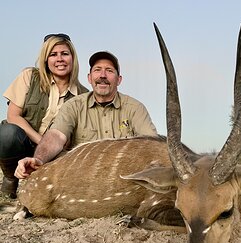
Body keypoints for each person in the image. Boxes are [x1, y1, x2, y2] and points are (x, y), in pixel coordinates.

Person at [15, 51, 157, 180]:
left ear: (119, 79)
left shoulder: (135, 108)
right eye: (97, 70)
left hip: (122, 177)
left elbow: (152, 145)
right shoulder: (74, 105)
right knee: (57, 160)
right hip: (83, 177)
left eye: (109, 71)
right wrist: (39, 159)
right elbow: (56, 136)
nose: (102, 75)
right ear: (89, 78)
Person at [0, 33, 89, 199]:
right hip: (24, 143)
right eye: (53, 55)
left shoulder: (83, 95)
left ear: (73, 58)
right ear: (46, 60)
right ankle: (11, 178)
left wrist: (49, 150)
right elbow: (13, 116)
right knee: (7, 133)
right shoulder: (29, 76)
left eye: (64, 54)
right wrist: (44, 142)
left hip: (55, 154)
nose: (60, 59)